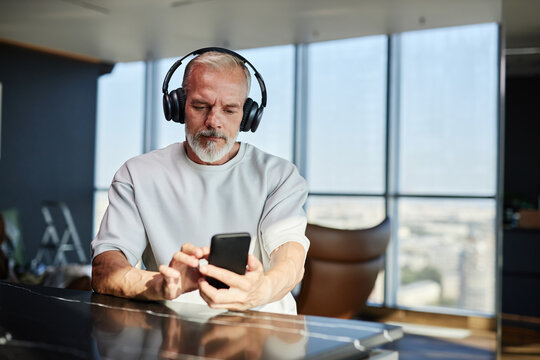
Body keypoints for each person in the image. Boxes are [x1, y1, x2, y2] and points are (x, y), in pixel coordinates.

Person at [91, 48, 310, 315]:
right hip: (172, 335)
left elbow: (291, 258)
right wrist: (162, 284)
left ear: (248, 115)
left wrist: (260, 290)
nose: (213, 121)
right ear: (178, 106)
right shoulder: (137, 175)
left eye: (230, 109)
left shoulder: (279, 175)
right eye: (200, 106)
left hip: (264, 333)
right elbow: (105, 268)